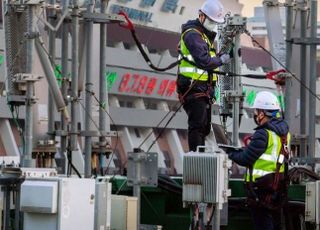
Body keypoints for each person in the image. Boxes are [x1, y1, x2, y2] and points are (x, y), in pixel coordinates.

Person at [226, 91, 290, 230]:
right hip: (276, 187)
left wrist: (229, 152)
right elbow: (262, 153)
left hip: (260, 189)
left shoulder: (263, 133)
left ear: (263, 113)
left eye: (256, 111)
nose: (255, 114)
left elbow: (245, 159)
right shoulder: (284, 133)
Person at [176, 0, 231, 152]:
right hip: (192, 87)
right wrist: (221, 60)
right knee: (198, 125)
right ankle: (196, 158)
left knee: (204, 127)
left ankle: (201, 156)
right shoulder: (193, 35)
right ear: (201, 16)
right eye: (212, 21)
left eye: (215, 22)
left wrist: (220, 56)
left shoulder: (203, 35)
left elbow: (206, 59)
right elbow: (204, 61)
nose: (213, 24)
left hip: (201, 88)